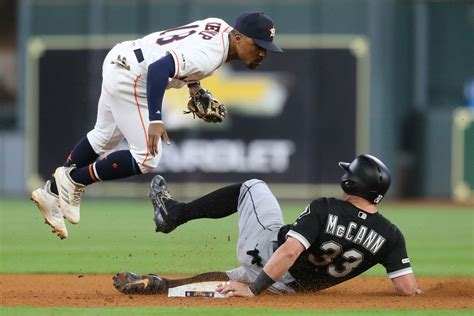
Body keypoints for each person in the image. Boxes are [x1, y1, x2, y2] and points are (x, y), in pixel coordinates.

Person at [30, 11, 283, 239]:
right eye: (258, 44)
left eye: (267, 47)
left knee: (103, 138)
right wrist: (155, 119)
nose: (263, 52)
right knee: (147, 157)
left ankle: (50, 193)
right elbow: (159, 68)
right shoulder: (210, 55)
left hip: (122, 58)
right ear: (238, 37)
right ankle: (73, 179)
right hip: (135, 76)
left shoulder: (218, 26)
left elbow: (182, 50)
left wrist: (195, 88)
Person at [113, 154, 421, 297]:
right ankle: (161, 286)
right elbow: (407, 289)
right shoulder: (390, 235)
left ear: (349, 182)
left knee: (252, 186)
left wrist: (255, 291)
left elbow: (289, 251)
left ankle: (173, 214)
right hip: (292, 289)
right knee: (233, 279)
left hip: (270, 259)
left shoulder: (326, 207)